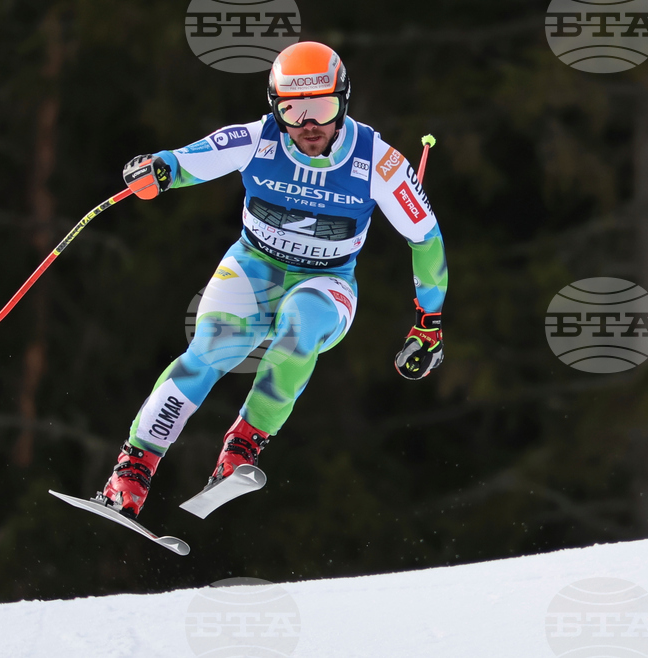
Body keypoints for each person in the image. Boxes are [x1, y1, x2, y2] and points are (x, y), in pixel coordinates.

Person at [100, 41, 448, 518]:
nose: (309, 125)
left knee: (300, 325)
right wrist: (157, 170)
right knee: (211, 348)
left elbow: (426, 240)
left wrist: (429, 323)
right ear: (275, 107)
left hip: (328, 280)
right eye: (293, 110)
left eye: (322, 108)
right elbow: (186, 162)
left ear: (343, 102)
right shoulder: (257, 139)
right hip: (254, 265)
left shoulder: (379, 162)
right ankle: (132, 471)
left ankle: (243, 445)